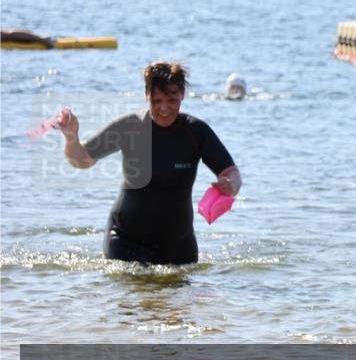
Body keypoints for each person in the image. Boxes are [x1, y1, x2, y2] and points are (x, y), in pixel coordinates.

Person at [59, 62, 241, 265]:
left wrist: (230, 185)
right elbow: (81, 159)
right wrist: (71, 138)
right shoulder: (129, 127)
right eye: (157, 100)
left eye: (171, 100)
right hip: (125, 240)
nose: (164, 108)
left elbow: (231, 172)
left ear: (182, 95)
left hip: (178, 246)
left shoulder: (196, 132)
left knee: (182, 295)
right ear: (147, 96)